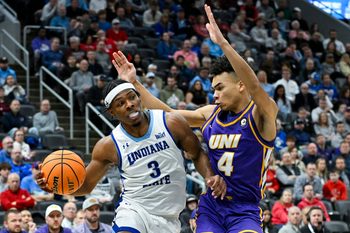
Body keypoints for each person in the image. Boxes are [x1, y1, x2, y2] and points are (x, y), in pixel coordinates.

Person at [112, 4, 278, 232]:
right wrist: (135, 83)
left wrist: (223, 44)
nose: (215, 94)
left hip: (245, 209)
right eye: (213, 89)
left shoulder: (261, 115)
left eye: (220, 88)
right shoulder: (210, 114)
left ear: (240, 85)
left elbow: (255, 87)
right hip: (212, 205)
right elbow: (168, 114)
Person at [36, 77, 226, 233]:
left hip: (170, 217)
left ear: (139, 98)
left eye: (132, 97)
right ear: (112, 112)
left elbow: (197, 153)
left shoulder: (171, 122)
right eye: (120, 103)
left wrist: (210, 177)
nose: (129, 104)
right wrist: (56, 187)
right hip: (135, 209)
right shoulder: (108, 145)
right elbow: (85, 185)